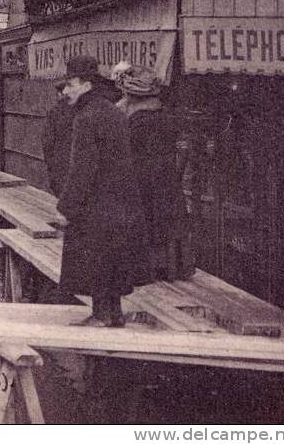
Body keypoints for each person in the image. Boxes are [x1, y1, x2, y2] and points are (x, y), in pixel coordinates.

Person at [56, 55, 151, 327]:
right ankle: (115, 313)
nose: (66, 90)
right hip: (122, 202)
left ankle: (99, 315)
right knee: (114, 257)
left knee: (94, 256)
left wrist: (67, 207)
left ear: (86, 85)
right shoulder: (113, 111)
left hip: (97, 203)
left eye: (70, 84)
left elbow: (82, 168)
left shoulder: (86, 118)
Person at [115, 64, 194, 281]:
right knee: (167, 221)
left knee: (145, 218)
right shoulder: (165, 117)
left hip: (140, 177)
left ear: (131, 96)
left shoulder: (133, 121)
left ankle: (146, 270)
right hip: (167, 178)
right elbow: (182, 149)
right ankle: (172, 268)